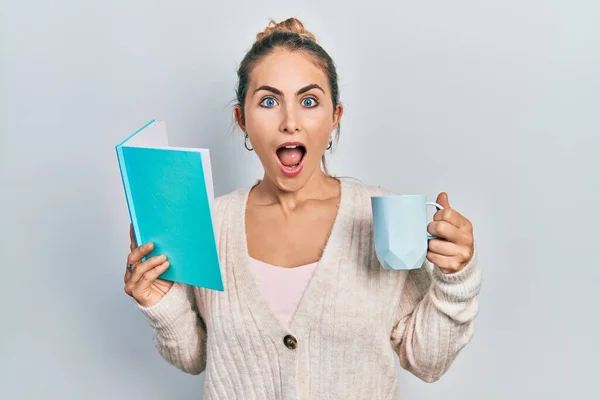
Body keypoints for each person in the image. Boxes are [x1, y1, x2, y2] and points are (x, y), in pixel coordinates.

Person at [123, 17, 481, 399]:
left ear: (334, 118)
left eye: (309, 101)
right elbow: (195, 356)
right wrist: (160, 298)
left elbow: (427, 360)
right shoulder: (209, 224)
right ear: (241, 119)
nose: (290, 122)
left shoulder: (381, 217)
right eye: (268, 101)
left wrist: (456, 278)